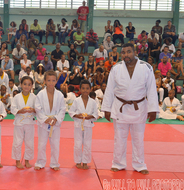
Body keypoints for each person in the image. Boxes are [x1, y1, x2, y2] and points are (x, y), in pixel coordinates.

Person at [101, 43, 159, 175]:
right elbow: (109, 89)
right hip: (120, 107)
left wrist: (153, 109)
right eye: (123, 53)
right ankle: (118, 163)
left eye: (128, 52)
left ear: (135, 52)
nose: (125, 55)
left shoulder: (146, 68)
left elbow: (151, 89)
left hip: (139, 108)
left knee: (138, 138)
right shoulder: (116, 68)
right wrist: (106, 108)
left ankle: (139, 164)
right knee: (119, 138)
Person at [34, 70, 66, 171]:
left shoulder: (60, 95)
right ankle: (40, 162)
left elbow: (63, 109)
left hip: (55, 123)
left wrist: (56, 119)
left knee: (55, 144)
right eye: (49, 80)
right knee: (41, 144)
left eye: (53, 80)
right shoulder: (40, 94)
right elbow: (37, 108)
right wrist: (45, 119)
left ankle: (54, 163)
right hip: (44, 123)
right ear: (45, 81)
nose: (51, 83)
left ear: (56, 81)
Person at [68, 79, 98, 169]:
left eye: (87, 88)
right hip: (78, 125)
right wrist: (77, 115)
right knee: (77, 144)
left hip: (88, 125)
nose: (85, 90)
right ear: (80, 89)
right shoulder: (77, 101)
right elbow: (71, 112)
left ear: (90, 89)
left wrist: (90, 116)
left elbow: (96, 113)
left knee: (87, 144)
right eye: (83, 88)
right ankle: (78, 161)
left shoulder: (93, 102)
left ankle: (85, 162)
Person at [11, 76, 36, 169]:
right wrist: (19, 111)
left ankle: (27, 160)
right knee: (17, 142)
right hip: (19, 122)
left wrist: (32, 109)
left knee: (29, 143)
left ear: (32, 86)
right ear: (21, 85)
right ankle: (17, 161)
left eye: (29, 84)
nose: (26, 86)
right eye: (25, 84)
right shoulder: (16, 97)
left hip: (30, 122)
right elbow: (13, 108)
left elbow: (37, 109)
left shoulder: (34, 97)